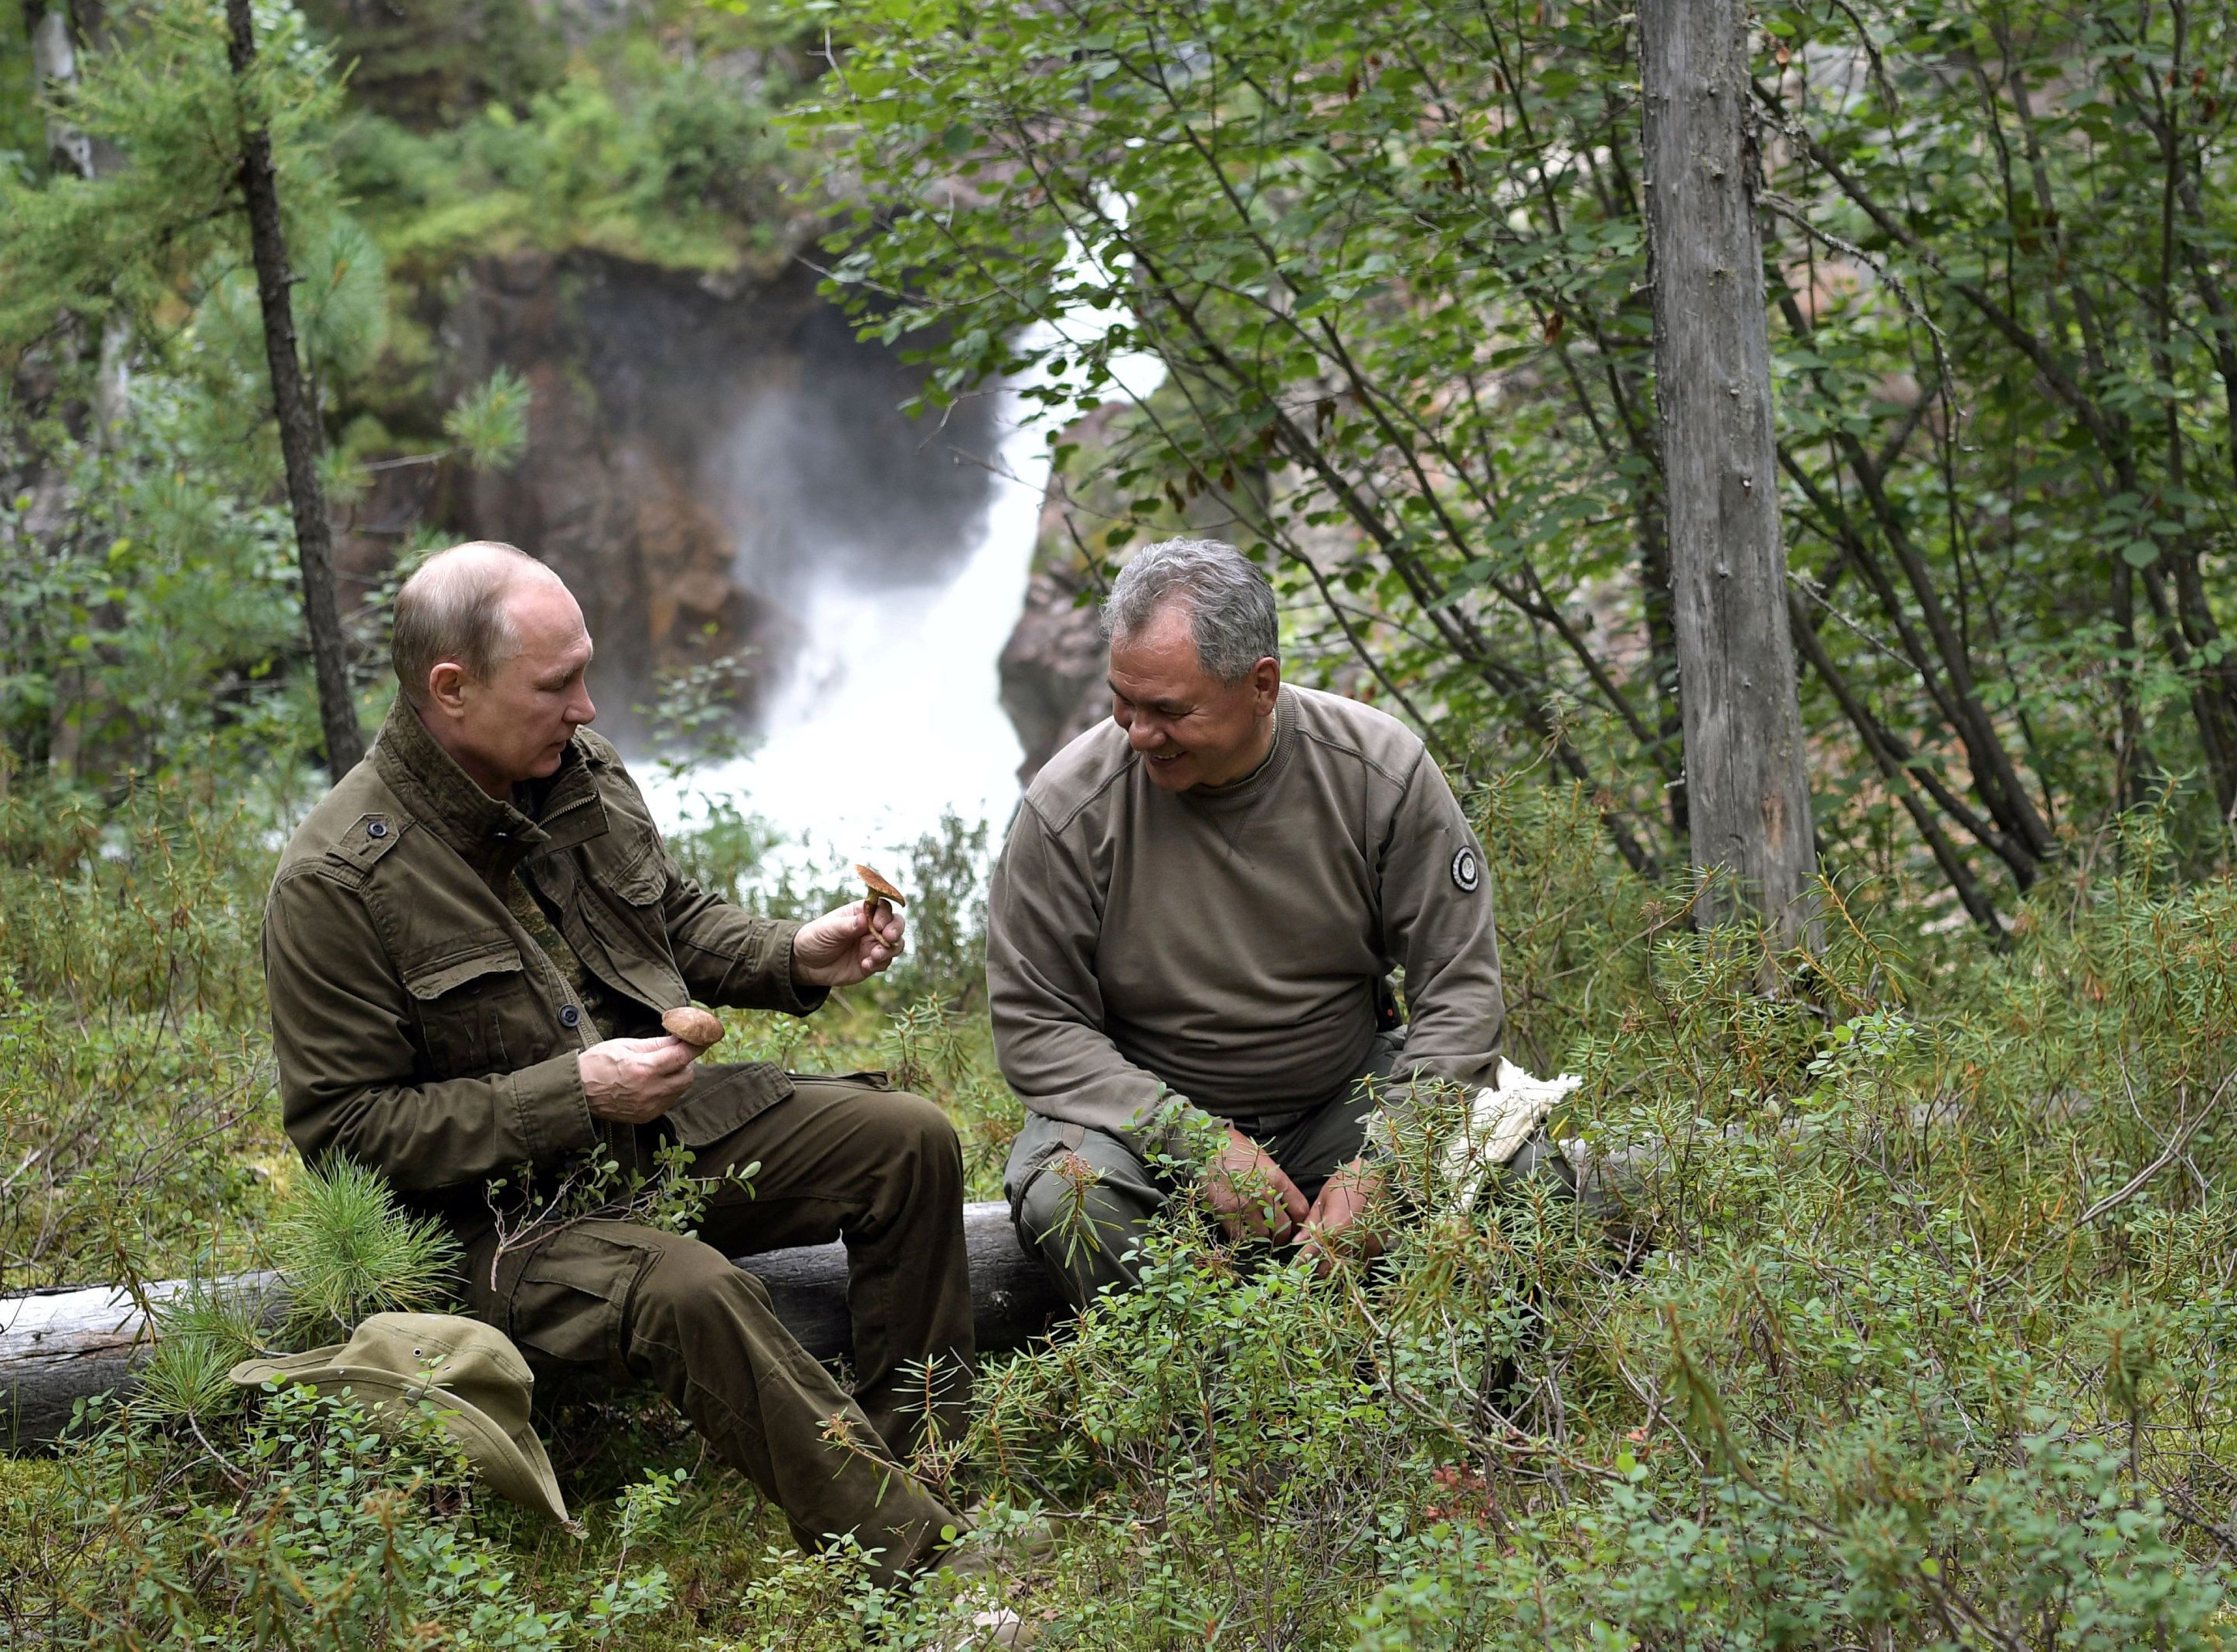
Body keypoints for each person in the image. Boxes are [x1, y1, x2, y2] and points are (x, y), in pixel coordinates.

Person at [263, 541, 970, 1579]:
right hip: (501, 1225)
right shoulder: (335, 881)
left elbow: (664, 920)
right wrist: (576, 1091)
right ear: (450, 690)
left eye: (586, 671)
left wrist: (791, 954)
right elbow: (348, 1136)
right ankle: (911, 1557)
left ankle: (926, 1464)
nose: (590, 707)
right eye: (559, 684)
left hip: (652, 1141)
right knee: (692, 1287)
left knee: (908, 1139)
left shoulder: (568, 767)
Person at [987, 537, 1545, 1305]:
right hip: (1143, 1123)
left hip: (1342, 1100)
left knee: (1513, 1169)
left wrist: (1387, 1162)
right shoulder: (1067, 809)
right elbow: (1034, 1026)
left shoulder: (1378, 773)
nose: (1137, 733)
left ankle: (1443, 1396)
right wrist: (1193, 1145)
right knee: (1069, 1200)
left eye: (1168, 711)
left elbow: (1459, 991)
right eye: (1123, 700)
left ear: (1260, 685)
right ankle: (1199, 1398)